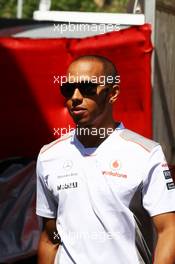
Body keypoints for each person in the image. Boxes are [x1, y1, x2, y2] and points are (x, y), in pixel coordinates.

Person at [36, 55, 175, 264]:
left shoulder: (146, 153)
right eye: (67, 89)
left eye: (87, 88)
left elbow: (169, 231)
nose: (75, 97)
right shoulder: (49, 156)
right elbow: (50, 237)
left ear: (113, 93)